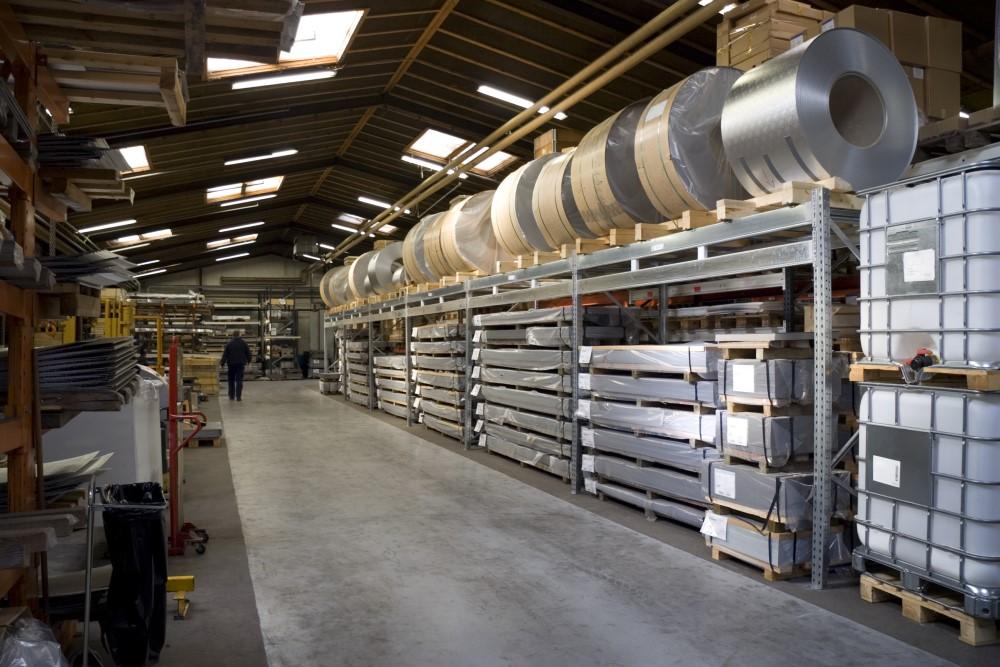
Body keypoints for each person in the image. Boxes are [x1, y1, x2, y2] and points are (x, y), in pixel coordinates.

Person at [220, 332, 252, 401]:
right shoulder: (243, 343)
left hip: (231, 364)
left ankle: (231, 396)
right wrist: (249, 361)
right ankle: (238, 397)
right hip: (240, 364)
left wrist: (222, 363)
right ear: (239, 335)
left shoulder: (229, 343)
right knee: (239, 380)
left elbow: (225, 354)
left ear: (233, 335)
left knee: (231, 380)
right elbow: (248, 353)